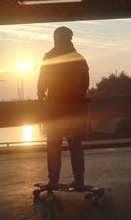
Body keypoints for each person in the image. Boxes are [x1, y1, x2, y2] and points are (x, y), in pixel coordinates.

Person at [37, 26, 90, 189]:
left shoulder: (49, 57)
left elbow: (43, 80)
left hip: (57, 108)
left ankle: (53, 180)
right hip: (75, 108)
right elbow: (85, 83)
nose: (56, 41)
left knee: (53, 144)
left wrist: (41, 93)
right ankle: (79, 180)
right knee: (75, 144)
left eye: (57, 38)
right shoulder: (79, 58)